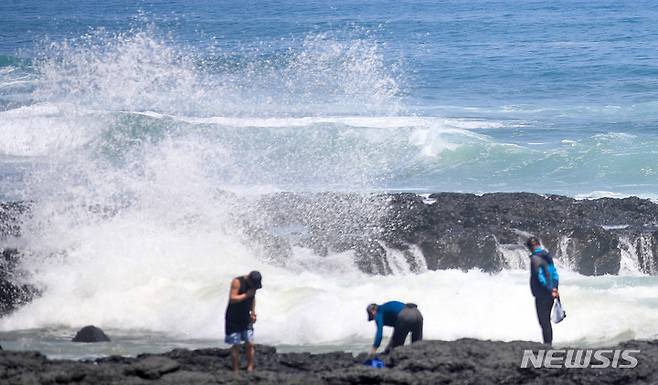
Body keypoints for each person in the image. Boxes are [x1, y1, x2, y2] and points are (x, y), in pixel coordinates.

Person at [225, 270, 262, 372]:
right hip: (233, 318)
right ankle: (235, 370)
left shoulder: (253, 286)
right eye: (253, 285)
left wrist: (253, 313)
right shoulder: (237, 282)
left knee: (250, 343)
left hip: (246, 317)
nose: (254, 288)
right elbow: (232, 298)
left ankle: (250, 367)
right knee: (236, 344)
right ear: (249, 279)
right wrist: (246, 295)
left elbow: (252, 298)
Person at [526, 237, 559, 345]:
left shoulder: (535, 259)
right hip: (551, 293)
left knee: (543, 322)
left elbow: (539, 278)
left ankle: (547, 346)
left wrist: (549, 290)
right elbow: (554, 274)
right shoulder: (547, 256)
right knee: (547, 322)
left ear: (530, 248)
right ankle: (549, 344)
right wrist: (555, 288)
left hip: (542, 294)